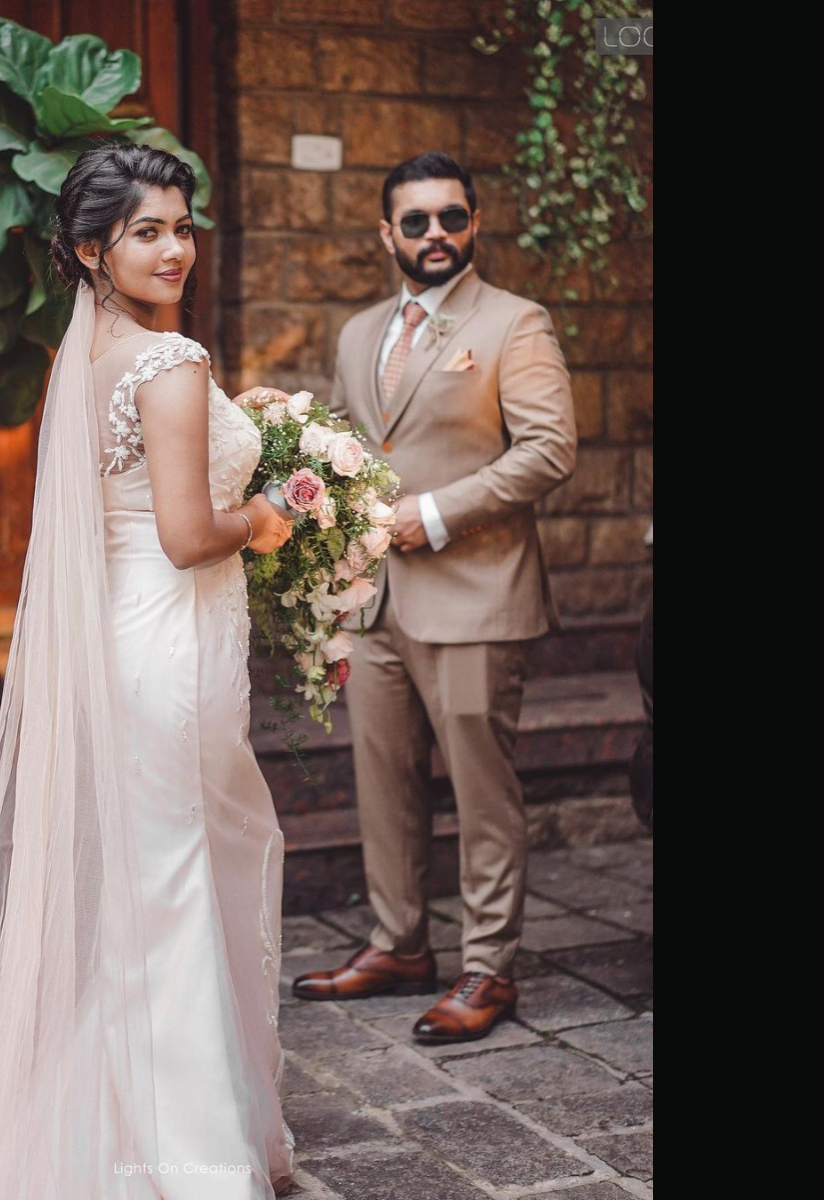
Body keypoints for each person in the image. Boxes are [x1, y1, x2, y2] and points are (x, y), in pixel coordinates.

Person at [0, 144, 298, 1198]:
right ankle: (190, 1157)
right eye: (147, 232)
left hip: (125, 646)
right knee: (177, 885)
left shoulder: (85, 357)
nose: (175, 249)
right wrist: (269, 515)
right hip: (170, 647)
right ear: (92, 250)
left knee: (151, 887)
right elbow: (188, 537)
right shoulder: (169, 363)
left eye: (182, 227)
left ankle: (118, 1125)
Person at [293, 151, 578, 1045]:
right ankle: (399, 944)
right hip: (375, 603)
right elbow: (347, 453)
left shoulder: (513, 322)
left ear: (474, 223)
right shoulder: (357, 333)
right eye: (415, 221)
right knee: (383, 785)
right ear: (388, 234)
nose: (436, 234)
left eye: (452, 217)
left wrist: (437, 513)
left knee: (482, 793)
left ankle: (488, 967)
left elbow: (548, 449)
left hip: (475, 599)